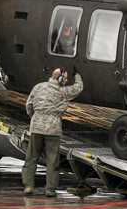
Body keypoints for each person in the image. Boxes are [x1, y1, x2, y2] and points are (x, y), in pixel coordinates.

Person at [22, 66, 84, 197]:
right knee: (52, 159)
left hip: (36, 127)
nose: (66, 81)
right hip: (53, 129)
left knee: (32, 157)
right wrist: (78, 75)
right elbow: (79, 88)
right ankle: (50, 189)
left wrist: (35, 118)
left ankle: (28, 186)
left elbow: (29, 105)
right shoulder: (63, 92)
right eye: (65, 78)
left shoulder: (38, 87)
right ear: (59, 78)